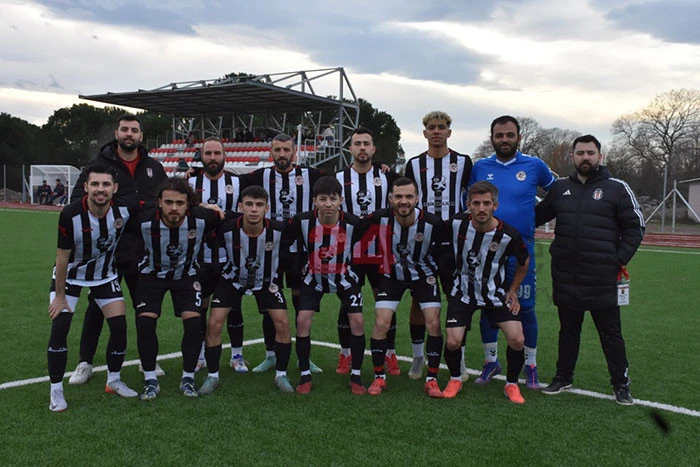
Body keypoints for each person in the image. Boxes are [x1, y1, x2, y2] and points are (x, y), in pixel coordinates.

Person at [535, 134, 644, 405]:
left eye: (590, 153)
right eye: (580, 153)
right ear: (572, 157)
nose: (585, 157)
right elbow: (535, 216)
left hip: (601, 278)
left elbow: (636, 226)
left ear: (600, 156)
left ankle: (621, 384)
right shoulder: (560, 188)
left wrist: (617, 259)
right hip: (566, 275)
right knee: (568, 331)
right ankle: (563, 378)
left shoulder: (617, 188)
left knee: (611, 334)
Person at [67, 114, 168, 385]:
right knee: (96, 308)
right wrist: (125, 205)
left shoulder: (154, 167)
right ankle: (85, 362)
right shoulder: (98, 165)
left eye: (134, 130)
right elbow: (77, 201)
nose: (129, 134)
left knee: (144, 308)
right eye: (124, 129)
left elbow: (165, 201)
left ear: (141, 136)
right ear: (116, 133)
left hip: (143, 250)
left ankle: (148, 359)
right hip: (107, 250)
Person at [469, 115, 556, 389]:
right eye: (499, 135)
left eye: (509, 135)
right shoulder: (480, 167)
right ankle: (491, 361)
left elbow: (557, 193)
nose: (504, 139)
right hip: (488, 249)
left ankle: (531, 365)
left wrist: (534, 218)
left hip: (522, 249)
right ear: (492, 138)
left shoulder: (534, 165)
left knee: (526, 308)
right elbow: (470, 201)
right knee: (488, 305)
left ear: (519, 137)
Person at [47, 165, 137, 412]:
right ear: (86, 187)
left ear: (114, 188)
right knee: (60, 326)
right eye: (95, 184)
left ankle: (114, 380)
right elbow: (62, 258)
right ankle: (56, 390)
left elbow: (158, 207)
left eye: (106, 184)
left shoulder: (124, 210)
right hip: (71, 276)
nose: (100, 189)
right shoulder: (70, 214)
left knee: (119, 326)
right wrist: (60, 296)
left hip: (104, 276)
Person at [134, 177, 223, 400]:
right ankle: (150, 380)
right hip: (151, 275)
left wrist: (210, 207)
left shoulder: (203, 218)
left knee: (194, 323)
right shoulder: (142, 219)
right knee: (145, 322)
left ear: (188, 204)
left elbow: (232, 219)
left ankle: (188, 378)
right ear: (159, 202)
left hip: (186, 276)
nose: (174, 208)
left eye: (180, 203)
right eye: (169, 202)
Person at [199, 186, 294, 394]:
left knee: (283, 323)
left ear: (267, 208)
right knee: (214, 323)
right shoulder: (226, 227)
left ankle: (281, 374)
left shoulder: (280, 229)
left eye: (259, 205)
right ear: (241, 206)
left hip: (266, 281)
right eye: (249, 204)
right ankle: (212, 376)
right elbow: (194, 212)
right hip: (232, 279)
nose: (254, 209)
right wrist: (205, 205)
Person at [443, 181, 530, 403]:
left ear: (495, 205)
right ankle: (455, 379)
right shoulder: (455, 224)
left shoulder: (509, 234)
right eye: (476, 203)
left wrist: (513, 290)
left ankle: (511, 384)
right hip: (462, 292)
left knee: (517, 339)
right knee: (452, 342)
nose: (481, 208)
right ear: (468, 205)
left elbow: (524, 261)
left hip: (495, 293)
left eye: (486, 203)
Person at [403, 111, 472, 380]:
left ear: (449, 132)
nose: (436, 131)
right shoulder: (414, 164)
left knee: (457, 299)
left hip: (454, 242)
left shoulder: (463, 162)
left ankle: (460, 359)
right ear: (424, 133)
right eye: (431, 127)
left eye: (441, 127)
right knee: (418, 299)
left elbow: (472, 194)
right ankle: (418, 357)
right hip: (423, 240)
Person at [247, 133, 323, 373]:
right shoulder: (259, 176)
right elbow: (227, 178)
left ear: (294, 152)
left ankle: (303, 357)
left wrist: (382, 168)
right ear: (271, 152)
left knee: (303, 304)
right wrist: (193, 172)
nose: (282, 154)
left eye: (286, 150)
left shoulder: (311, 175)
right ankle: (270, 354)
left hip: (301, 251)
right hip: (271, 250)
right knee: (271, 302)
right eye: (277, 150)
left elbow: (342, 178)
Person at [363, 178, 446, 398]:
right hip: (392, 276)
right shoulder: (378, 218)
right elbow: (355, 231)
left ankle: (432, 379)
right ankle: (379, 376)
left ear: (417, 199)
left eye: (409, 196)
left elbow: (444, 255)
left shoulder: (433, 223)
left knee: (433, 322)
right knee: (381, 322)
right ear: (391, 199)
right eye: (398, 196)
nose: (403, 201)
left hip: (425, 276)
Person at [286, 176, 366, 394]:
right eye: (323, 199)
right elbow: (281, 234)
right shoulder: (302, 221)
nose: (328, 204)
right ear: (314, 201)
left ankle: (356, 374)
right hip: (313, 278)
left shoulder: (354, 223)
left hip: (344, 277)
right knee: (302, 322)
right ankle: (305, 374)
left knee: (358, 322)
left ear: (341, 200)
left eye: (333, 199)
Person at [334, 127, 400, 376]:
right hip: (349, 253)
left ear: (373, 149)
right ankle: (346, 354)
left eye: (366, 143)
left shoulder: (387, 177)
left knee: (386, 304)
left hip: (380, 253)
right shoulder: (339, 178)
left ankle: (390, 354)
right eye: (357, 143)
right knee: (347, 303)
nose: (362, 148)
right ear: (350, 149)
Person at [188, 137, 245, 372]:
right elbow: (181, 209)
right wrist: (205, 208)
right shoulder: (190, 182)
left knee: (234, 307)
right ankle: (200, 355)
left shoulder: (237, 182)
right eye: (208, 153)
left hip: (229, 257)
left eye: (217, 153)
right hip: (199, 259)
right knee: (200, 308)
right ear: (201, 156)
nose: (212, 158)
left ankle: (237, 356)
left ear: (224, 156)